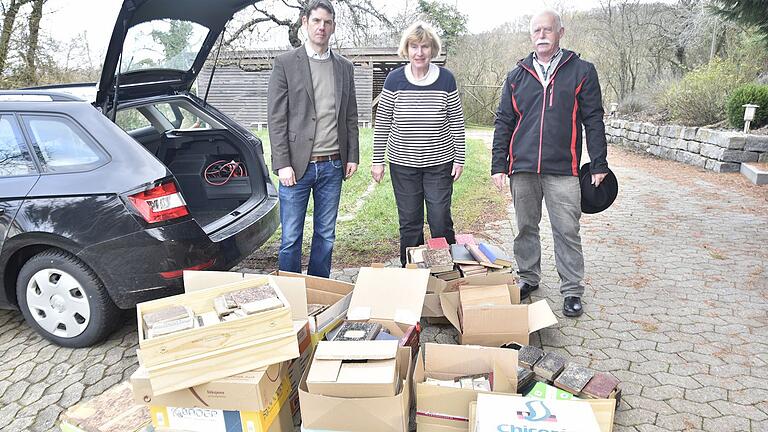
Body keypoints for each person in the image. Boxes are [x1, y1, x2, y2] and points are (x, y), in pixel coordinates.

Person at [491, 9, 609, 317]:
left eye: (547, 30)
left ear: (560, 32)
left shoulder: (581, 71)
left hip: (564, 169)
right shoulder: (516, 75)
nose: (541, 35)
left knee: (566, 230)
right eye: (536, 31)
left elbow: (594, 119)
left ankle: (571, 290)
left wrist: (599, 163)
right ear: (531, 36)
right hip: (523, 169)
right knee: (525, 227)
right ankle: (528, 278)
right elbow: (504, 121)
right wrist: (498, 165)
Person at [267, 0, 359, 278]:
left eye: (327, 22)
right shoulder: (285, 63)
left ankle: (321, 291)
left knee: (326, 236)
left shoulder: (344, 67)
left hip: (332, 165)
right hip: (296, 167)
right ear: (305, 23)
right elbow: (276, 118)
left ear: (333, 27)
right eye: (316, 21)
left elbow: (350, 115)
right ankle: (292, 295)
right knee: (291, 238)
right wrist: (282, 163)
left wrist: (352, 155)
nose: (322, 27)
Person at [371, 21, 465, 267]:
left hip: (439, 164)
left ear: (432, 49)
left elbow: (456, 120)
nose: (419, 52)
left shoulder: (446, 79)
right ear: (407, 49)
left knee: (440, 219)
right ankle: (410, 272)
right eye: (414, 46)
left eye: (424, 46)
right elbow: (382, 123)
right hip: (403, 165)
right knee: (410, 223)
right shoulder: (394, 80)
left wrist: (460, 158)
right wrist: (377, 160)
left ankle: (444, 272)